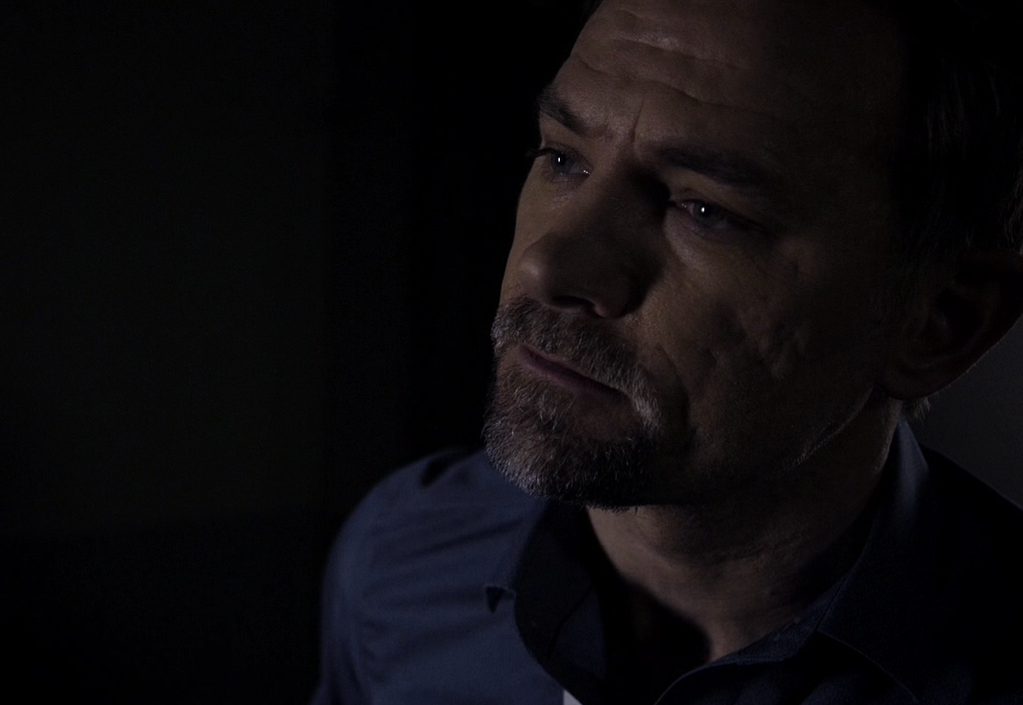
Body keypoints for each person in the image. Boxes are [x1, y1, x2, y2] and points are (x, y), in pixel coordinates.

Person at [312, 0, 1023, 702]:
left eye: (705, 210)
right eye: (562, 157)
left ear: (941, 322)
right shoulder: (402, 561)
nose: (549, 266)